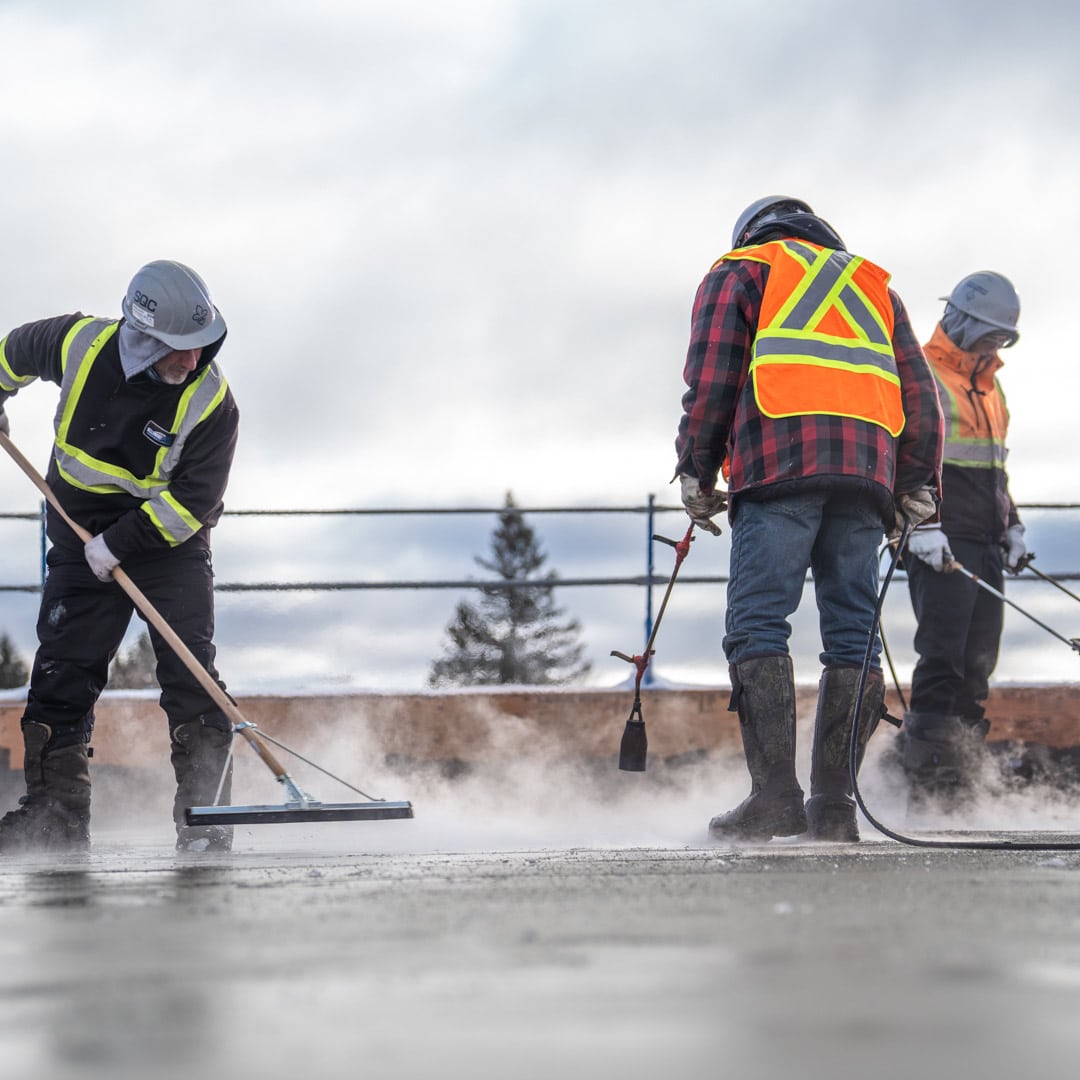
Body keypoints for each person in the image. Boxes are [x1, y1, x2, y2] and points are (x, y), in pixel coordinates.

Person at [675, 195, 944, 843]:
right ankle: (834, 807)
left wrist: (696, 467)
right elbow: (920, 393)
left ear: (752, 231)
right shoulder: (875, 289)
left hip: (777, 467)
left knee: (759, 621)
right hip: (866, 479)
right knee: (854, 633)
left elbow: (712, 377)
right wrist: (917, 483)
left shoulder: (741, 270)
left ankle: (772, 799)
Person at [0, 260, 239, 854]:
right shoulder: (77, 343)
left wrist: (120, 545)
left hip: (169, 545)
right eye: (175, 349)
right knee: (61, 673)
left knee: (191, 676)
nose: (191, 362)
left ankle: (206, 826)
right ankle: (54, 817)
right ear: (139, 334)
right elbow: (10, 354)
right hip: (78, 536)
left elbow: (190, 506)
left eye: (200, 346)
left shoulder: (213, 403)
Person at [898, 272, 1023, 797]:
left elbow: (994, 467)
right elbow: (906, 457)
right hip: (940, 542)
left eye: (1003, 338)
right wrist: (922, 526)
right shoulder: (921, 372)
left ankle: (960, 785)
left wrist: (1011, 522)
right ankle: (924, 787)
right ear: (963, 322)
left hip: (985, 541)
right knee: (943, 660)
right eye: (991, 334)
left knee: (976, 668)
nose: (996, 345)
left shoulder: (993, 388)